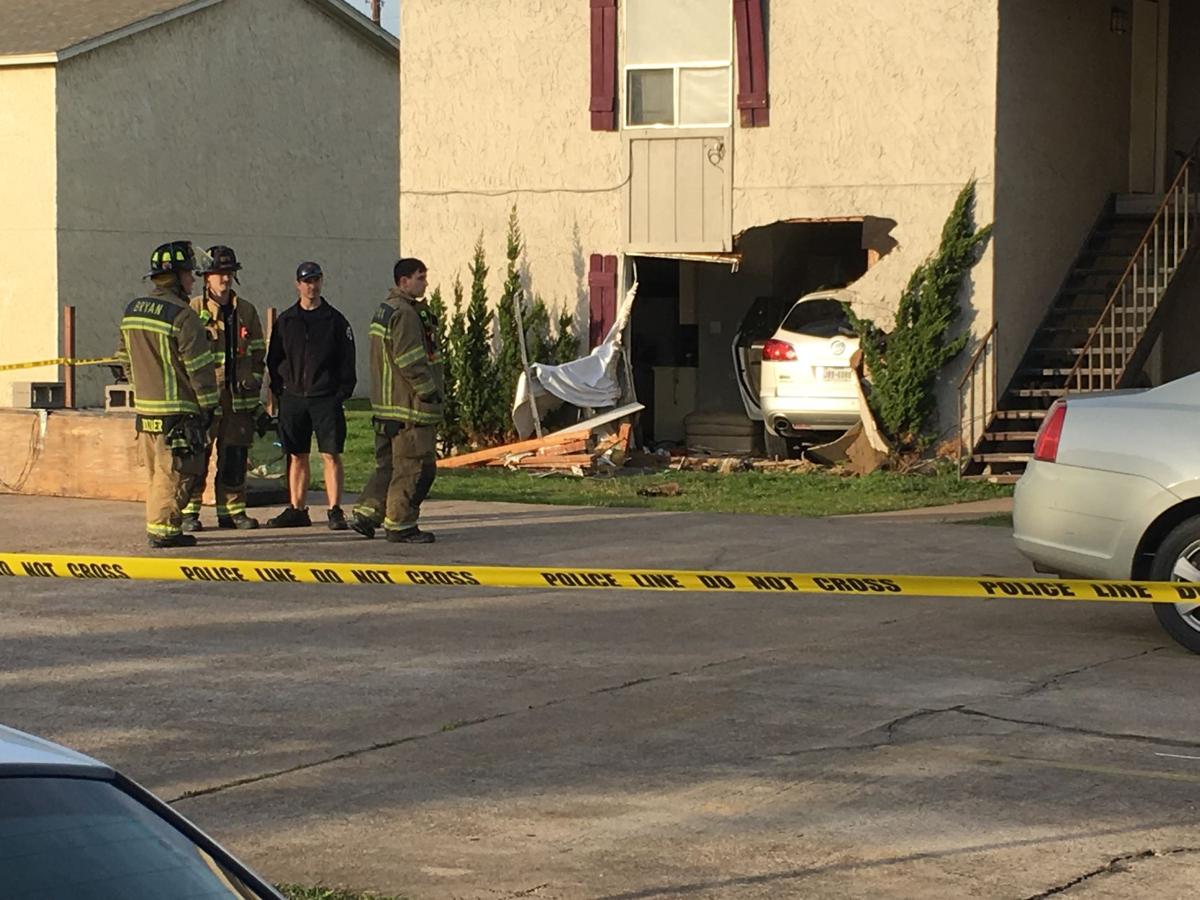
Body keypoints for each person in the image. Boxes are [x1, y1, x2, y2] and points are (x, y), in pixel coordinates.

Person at [115, 241, 220, 548]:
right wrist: (208, 407)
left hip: (146, 411)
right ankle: (163, 531)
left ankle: (164, 525)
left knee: (157, 475)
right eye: (188, 274)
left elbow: (123, 359)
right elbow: (199, 369)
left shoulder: (133, 311)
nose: (192, 280)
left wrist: (143, 388)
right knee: (176, 473)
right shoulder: (183, 316)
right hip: (177, 413)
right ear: (175, 277)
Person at [351, 258, 443, 543]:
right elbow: (410, 360)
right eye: (420, 278)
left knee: (388, 466)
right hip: (408, 408)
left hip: (386, 407)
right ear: (404, 281)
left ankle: (367, 513)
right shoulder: (405, 314)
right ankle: (401, 525)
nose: (425, 283)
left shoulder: (385, 310)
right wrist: (429, 391)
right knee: (414, 468)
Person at [265, 261, 356, 529]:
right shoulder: (286, 320)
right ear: (298, 285)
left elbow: (347, 359)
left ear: (321, 282)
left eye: (316, 280)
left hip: (326, 397)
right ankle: (297, 509)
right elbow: (274, 359)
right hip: (293, 397)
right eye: (307, 281)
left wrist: (341, 393)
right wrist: (280, 389)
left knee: (331, 454)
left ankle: (335, 510)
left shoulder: (335, 320)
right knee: (296, 454)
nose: (312, 286)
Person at [181, 246, 267, 531]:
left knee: (235, 458)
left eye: (229, 273)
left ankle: (232, 512)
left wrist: (253, 381)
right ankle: (190, 513)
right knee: (197, 458)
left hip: (238, 401)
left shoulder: (247, 312)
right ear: (206, 277)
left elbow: (258, 353)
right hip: (205, 400)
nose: (225, 279)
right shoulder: (193, 310)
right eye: (219, 273)